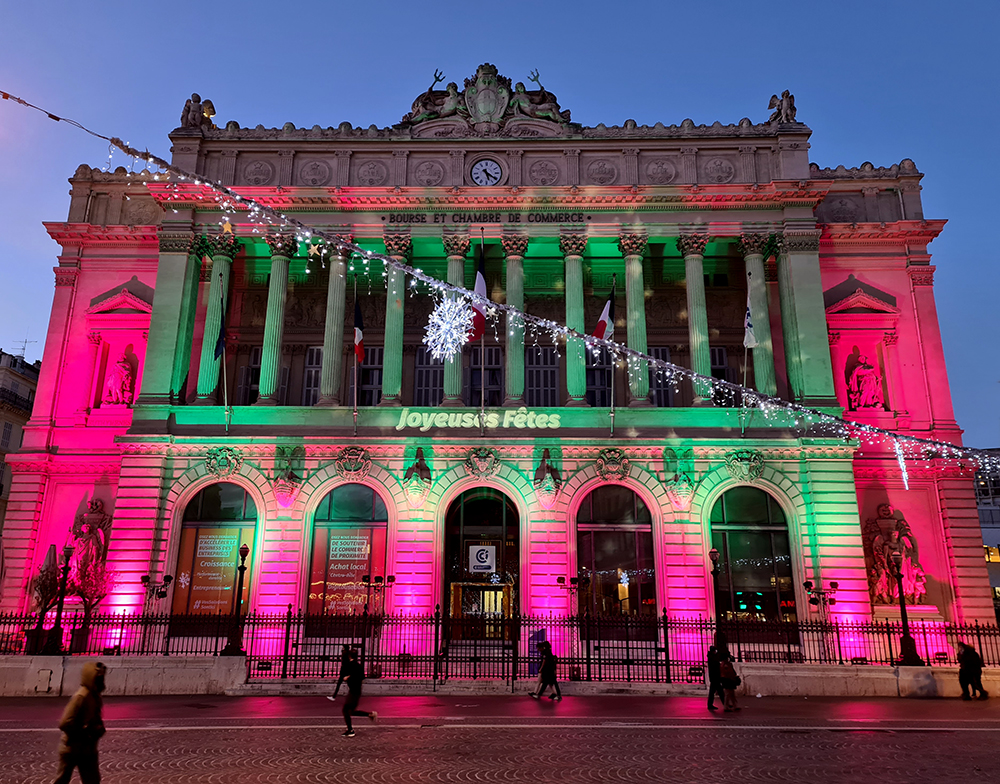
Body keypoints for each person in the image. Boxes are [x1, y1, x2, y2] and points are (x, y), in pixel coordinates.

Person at [54, 661, 107, 784]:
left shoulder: (95, 696)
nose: (101, 680)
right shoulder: (81, 697)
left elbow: (95, 717)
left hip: (88, 748)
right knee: (62, 779)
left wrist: (98, 728)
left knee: (92, 780)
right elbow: (65, 723)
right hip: (72, 747)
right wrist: (85, 732)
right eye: (98, 677)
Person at [340, 648, 377, 737]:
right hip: (356, 690)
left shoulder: (352, 665)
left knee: (346, 710)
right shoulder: (358, 665)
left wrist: (348, 678)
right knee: (350, 711)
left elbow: (353, 676)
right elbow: (362, 677)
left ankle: (350, 730)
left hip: (354, 691)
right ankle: (370, 714)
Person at [715, 633, 741, 712]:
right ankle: (727, 706)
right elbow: (728, 672)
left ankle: (733, 705)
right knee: (728, 694)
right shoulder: (725, 664)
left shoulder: (725, 664)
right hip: (728, 680)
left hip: (728, 680)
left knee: (731, 694)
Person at [706, 644, 726, 711]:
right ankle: (725, 704)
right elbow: (716, 668)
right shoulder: (713, 658)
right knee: (720, 692)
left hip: (713, 678)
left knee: (713, 692)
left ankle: (710, 704)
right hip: (715, 678)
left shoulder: (711, 657)